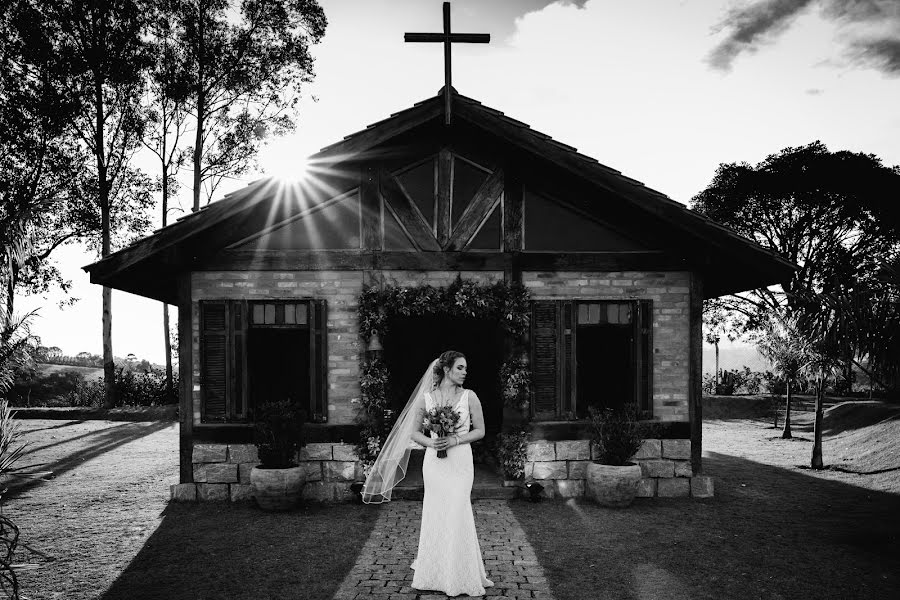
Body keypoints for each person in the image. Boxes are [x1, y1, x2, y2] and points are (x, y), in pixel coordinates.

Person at [361, 350, 494, 597]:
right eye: (460, 368)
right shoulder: (427, 398)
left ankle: (460, 573)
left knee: (458, 510)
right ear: (446, 370)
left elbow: (481, 431)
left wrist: (455, 439)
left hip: (461, 461)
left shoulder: (470, 397)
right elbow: (414, 433)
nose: (465, 372)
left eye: (465, 368)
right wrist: (432, 443)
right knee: (437, 513)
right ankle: (434, 572)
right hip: (435, 463)